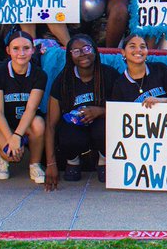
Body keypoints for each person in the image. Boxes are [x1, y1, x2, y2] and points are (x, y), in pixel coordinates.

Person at [44, 34, 115, 188]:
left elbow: (123, 111)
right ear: (70, 57)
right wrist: (51, 164)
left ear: (95, 51)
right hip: (75, 133)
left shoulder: (109, 74)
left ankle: (104, 159)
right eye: (76, 51)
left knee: (104, 127)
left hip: (100, 129)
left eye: (86, 48)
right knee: (66, 131)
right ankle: (73, 160)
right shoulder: (63, 81)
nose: (82, 54)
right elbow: (50, 124)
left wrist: (99, 111)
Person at [0, 30, 47, 184]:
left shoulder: (39, 74)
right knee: (11, 153)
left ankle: (35, 164)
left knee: (38, 123)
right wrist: (11, 139)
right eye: (16, 48)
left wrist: (17, 136)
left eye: (26, 48)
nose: (21, 53)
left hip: (25, 123)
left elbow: (31, 109)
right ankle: (2, 156)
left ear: (33, 49)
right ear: (8, 51)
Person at [109, 33, 167, 107]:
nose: (138, 50)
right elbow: (118, 113)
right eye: (132, 46)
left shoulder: (160, 69)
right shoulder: (119, 84)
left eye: (142, 46)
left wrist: (160, 101)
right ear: (123, 52)